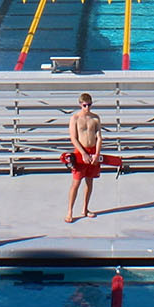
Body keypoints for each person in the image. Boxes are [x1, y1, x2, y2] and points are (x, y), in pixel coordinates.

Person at [65, 93, 105, 223]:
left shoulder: (95, 118)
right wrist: (83, 153)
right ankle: (70, 211)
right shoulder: (75, 118)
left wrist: (97, 153)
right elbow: (73, 138)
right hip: (81, 152)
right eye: (84, 105)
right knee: (76, 182)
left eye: (89, 105)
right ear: (80, 104)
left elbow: (99, 137)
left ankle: (85, 208)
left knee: (89, 181)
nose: (87, 108)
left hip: (93, 151)